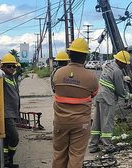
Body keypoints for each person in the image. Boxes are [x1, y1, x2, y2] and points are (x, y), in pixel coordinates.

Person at [52, 38, 99, 168]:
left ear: (70, 54)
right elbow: (94, 93)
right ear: (85, 56)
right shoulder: (91, 76)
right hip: (81, 123)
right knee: (76, 156)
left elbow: (55, 89)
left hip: (60, 121)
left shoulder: (57, 73)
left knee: (59, 154)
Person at [89, 50, 132, 154]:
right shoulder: (117, 71)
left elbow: (111, 78)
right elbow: (120, 90)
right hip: (107, 98)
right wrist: (130, 96)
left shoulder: (108, 65)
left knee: (97, 122)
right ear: (121, 62)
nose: (125, 66)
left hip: (99, 96)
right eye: (124, 63)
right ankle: (107, 145)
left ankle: (93, 145)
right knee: (107, 122)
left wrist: (122, 78)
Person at [0, 53, 20, 168]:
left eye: (14, 66)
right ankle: (7, 159)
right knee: (14, 137)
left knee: (7, 140)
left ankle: (7, 161)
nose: (12, 68)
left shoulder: (13, 78)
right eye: (9, 66)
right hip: (6, 114)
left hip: (13, 113)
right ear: (3, 66)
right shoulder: (2, 77)